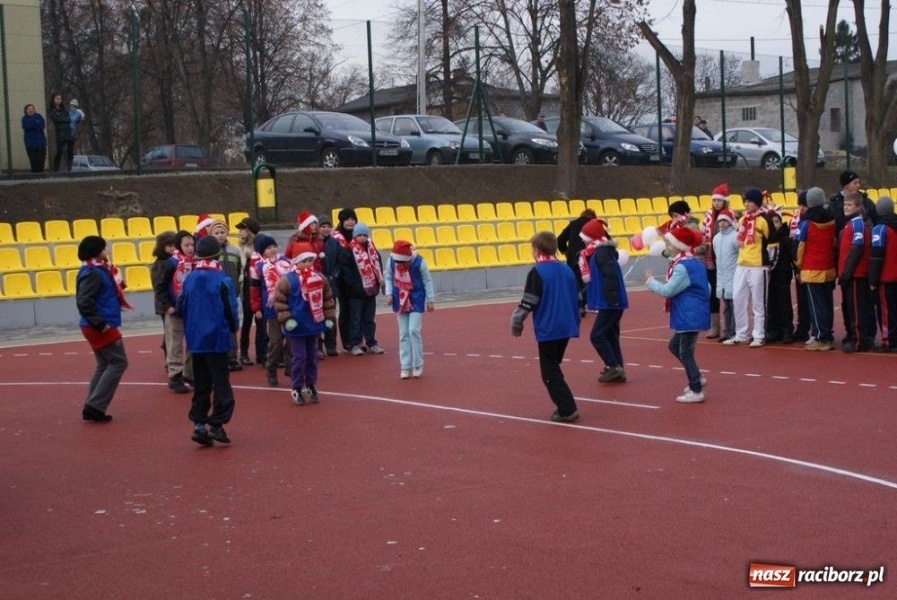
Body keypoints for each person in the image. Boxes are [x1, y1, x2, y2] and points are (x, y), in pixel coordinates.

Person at [510, 231, 581, 422]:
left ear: (537, 250)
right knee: (554, 365)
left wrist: (516, 323)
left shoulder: (538, 272)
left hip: (549, 327)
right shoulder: (566, 269)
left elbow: (528, 302)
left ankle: (567, 407)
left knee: (549, 371)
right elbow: (578, 298)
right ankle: (566, 405)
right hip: (567, 326)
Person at [177, 235, 239, 446]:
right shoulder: (222, 279)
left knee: (201, 381)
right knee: (220, 381)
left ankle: (199, 423)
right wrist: (233, 327)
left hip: (196, 337)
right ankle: (217, 424)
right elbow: (231, 309)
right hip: (217, 337)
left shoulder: (190, 278)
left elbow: (180, 305)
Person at [645, 227, 711, 403]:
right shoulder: (696, 263)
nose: (668, 246)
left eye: (670, 243)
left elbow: (668, 290)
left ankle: (696, 389)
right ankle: (696, 377)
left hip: (688, 313)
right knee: (676, 347)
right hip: (693, 311)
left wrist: (651, 282)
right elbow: (708, 287)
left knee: (685, 352)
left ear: (678, 246)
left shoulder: (682, 267)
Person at [75, 235, 130, 422]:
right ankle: (95, 405)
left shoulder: (99, 270)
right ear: (97, 251)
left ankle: (92, 403)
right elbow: (84, 302)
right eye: (104, 248)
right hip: (100, 325)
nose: (107, 251)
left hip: (96, 324)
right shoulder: (92, 272)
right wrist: (100, 323)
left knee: (104, 364)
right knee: (119, 362)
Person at [275, 242, 336, 404]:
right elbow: (280, 302)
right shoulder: (287, 280)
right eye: (304, 261)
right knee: (299, 357)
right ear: (296, 261)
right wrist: (287, 319)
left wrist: (329, 318)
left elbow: (328, 299)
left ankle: (310, 384)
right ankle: (296, 387)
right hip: (296, 327)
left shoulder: (319, 278)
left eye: (310, 260)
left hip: (313, 325)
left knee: (313, 356)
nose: (308, 264)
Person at [722, 188, 778, 347]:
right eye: (745, 201)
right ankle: (741, 333)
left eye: (750, 201)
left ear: (757, 203)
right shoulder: (742, 221)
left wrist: (769, 264)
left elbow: (773, 245)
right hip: (742, 264)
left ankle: (759, 335)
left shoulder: (764, 220)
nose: (746, 204)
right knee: (738, 299)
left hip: (758, 266)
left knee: (759, 303)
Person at [578, 218, 628, 383]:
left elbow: (610, 275)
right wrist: (582, 297)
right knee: (611, 335)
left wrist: (611, 296)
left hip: (610, 302)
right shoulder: (600, 253)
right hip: (611, 301)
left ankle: (613, 366)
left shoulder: (600, 253)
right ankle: (618, 367)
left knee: (597, 335)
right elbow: (597, 281)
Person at [383, 240, 435, 379]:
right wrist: (388, 293)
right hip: (399, 299)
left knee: (413, 331)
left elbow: (427, 280)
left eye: (402, 263)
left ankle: (418, 364)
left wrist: (430, 300)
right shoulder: (392, 261)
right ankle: (405, 366)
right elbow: (388, 278)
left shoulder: (419, 262)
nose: (399, 265)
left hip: (416, 299)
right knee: (403, 334)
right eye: (397, 262)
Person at [795, 187, 837, 352]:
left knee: (816, 304)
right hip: (827, 266)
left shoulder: (806, 223)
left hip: (812, 268)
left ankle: (821, 337)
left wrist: (799, 264)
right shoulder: (831, 220)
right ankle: (828, 333)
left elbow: (799, 246)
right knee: (827, 303)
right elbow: (833, 242)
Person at [150, 230, 190, 394]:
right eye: (170, 245)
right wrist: (167, 306)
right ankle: (175, 375)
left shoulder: (186, 261)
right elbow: (159, 287)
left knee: (184, 340)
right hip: (171, 307)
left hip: (186, 306)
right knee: (173, 340)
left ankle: (188, 373)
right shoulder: (166, 263)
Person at [337, 222, 385, 356]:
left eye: (365, 235)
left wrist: (377, 281)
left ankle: (371, 343)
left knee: (369, 319)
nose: (363, 238)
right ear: (355, 236)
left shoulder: (372, 249)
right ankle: (354, 344)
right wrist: (355, 287)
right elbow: (346, 272)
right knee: (355, 319)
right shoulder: (348, 251)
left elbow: (377, 265)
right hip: (356, 292)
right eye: (360, 235)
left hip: (371, 290)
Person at [250, 233, 291, 386]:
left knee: (292, 339)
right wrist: (257, 308)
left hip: (288, 307)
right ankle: (271, 369)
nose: (273, 249)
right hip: (271, 310)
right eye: (268, 248)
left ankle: (291, 366)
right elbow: (254, 290)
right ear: (262, 251)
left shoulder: (286, 263)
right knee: (275, 341)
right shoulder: (258, 268)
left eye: (274, 246)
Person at [837, 192, 876, 352]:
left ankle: (860, 340)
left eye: (849, 205)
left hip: (856, 275)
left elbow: (856, 249)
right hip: (850, 274)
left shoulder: (858, 224)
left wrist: (846, 273)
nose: (846, 208)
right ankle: (854, 336)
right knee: (851, 308)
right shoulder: (849, 224)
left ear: (859, 207)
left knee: (857, 309)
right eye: (845, 205)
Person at [207, 217, 244, 371]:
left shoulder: (235, 251)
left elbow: (239, 270)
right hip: (215, 295)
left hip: (231, 294)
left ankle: (232, 356)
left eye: (223, 232)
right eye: (217, 232)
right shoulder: (209, 251)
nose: (220, 235)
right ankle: (219, 355)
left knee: (232, 323)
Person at [699, 183, 729, 338]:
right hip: (710, 261)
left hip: (725, 262)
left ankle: (730, 327)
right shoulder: (708, 217)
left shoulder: (729, 216)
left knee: (727, 293)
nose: (716, 203)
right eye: (714, 200)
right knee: (713, 293)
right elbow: (702, 235)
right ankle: (715, 326)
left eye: (719, 200)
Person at [325, 208, 358, 351]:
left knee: (356, 311)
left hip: (357, 279)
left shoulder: (359, 236)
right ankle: (347, 341)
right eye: (347, 219)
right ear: (341, 221)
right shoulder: (336, 238)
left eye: (352, 219)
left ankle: (357, 338)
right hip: (341, 280)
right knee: (345, 310)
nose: (350, 222)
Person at [235, 217, 266, 366]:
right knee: (247, 320)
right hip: (246, 287)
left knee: (261, 321)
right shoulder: (239, 249)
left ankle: (262, 353)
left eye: (243, 229)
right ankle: (244, 352)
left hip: (258, 287)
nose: (240, 232)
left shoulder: (259, 249)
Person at [557, 208, 598, 316]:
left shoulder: (573, 224)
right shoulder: (594, 224)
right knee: (588, 281)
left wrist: (565, 251)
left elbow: (560, 240)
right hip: (587, 256)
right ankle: (587, 304)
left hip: (573, 258)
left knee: (575, 283)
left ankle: (577, 306)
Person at [869, 196, 897, 352]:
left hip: (886, 277)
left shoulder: (880, 229)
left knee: (886, 311)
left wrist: (872, 279)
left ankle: (889, 341)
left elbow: (876, 256)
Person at [765, 211, 795, 344]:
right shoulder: (765, 239)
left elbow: (792, 256)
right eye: (771, 222)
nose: (774, 224)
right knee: (771, 303)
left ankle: (787, 331)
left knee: (784, 303)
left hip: (783, 274)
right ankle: (772, 330)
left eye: (776, 222)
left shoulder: (785, 238)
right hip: (770, 275)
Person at [712, 208, 739, 342]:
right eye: (720, 221)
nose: (722, 223)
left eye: (725, 221)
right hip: (722, 276)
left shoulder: (735, 237)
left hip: (733, 275)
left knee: (734, 306)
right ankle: (726, 330)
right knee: (726, 306)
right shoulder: (716, 239)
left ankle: (734, 331)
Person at [790, 191, 813, 343]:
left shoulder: (815, 219)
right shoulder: (795, 220)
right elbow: (794, 245)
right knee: (802, 299)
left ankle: (816, 329)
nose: (802, 208)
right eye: (800, 205)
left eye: (805, 205)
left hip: (812, 264)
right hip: (799, 265)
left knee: (813, 299)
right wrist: (797, 268)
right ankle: (802, 328)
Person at [318, 214, 339, 357]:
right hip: (316, 284)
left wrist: (334, 275)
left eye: (328, 226)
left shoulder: (335, 243)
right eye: (323, 226)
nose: (326, 229)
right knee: (317, 316)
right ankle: (317, 346)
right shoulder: (314, 243)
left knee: (330, 315)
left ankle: (331, 344)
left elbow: (339, 261)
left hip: (331, 284)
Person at [48, 92, 74, 172]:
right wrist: (63, 118)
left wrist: (62, 118)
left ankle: (69, 168)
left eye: (60, 99)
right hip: (60, 134)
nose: (59, 100)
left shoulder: (64, 109)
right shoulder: (51, 110)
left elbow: (68, 118)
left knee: (70, 152)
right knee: (59, 152)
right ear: (53, 99)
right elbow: (56, 119)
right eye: (57, 99)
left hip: (68, 133)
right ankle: (56, 169)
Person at [21, 104, 47, 173]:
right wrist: (36, 122)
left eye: (32, 108)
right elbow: (27, 125)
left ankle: (41, 179)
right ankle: (34, 179)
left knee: (41, 163)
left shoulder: (39, 116)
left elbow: (42, 124)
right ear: (25, 111)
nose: (31, 110)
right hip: (31, 145)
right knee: (34, 163)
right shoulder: (24, 118)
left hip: (41, 144)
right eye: (28, 109)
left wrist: (35, 124)